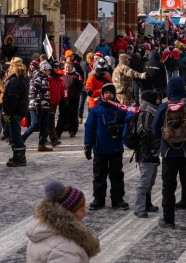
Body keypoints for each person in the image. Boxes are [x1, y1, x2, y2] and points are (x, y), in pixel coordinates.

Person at [151, 76, 186, 229]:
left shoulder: (163, 106)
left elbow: (155, 130)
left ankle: (168, 219)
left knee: (168, 187)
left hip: (168, 153)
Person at [25, 180, 101, 263]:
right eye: (81, 210)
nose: (85, 214)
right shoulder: (65, 249)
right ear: (68, 213)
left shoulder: (41, 227)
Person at [84, 83, 129, 211]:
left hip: (115, 148)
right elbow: (89, 128)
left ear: (114, 94)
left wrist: (119, 128)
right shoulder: (96, 110)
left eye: (111, 92)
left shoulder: (120, 110)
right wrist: (88, 144)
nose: (108, 95)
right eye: (106, 93)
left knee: (117, 175)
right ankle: (99, 199)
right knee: (99, 175)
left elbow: (127, 125)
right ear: (103, 95)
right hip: (99, 149)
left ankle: (117, 199)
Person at [132, 90, 161, 218]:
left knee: (151, 179)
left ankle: (147, 203)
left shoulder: (152, 112)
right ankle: (139, 207)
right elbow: (144, 135)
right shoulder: (146, 114)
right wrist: (147, 153)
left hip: (152, 152)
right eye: (157, 99)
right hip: (146, 153)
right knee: (144, 181)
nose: (159, 101)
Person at [2, 57, 29, 167]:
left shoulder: (14, 80)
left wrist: (8, 113)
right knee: (13, 133)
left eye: (10, 66)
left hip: (14, 112)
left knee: (15, 135)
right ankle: (18, 155)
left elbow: (11, 99)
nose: (8, 68)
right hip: (18, 110)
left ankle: (19, 157)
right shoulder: (20, 79)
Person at [23, 61, 53, 152]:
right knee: (34, 124)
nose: (49, 72)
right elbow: (33, 93)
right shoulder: (36, 79)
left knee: (44, 125)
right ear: (44, 70)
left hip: (45, 106)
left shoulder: (45, 79)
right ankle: (21, 139)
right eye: (48, 70)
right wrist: (37, 104)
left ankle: (41, 144)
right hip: (36, 106)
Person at [57, 60, 83, 139]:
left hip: (73, 99)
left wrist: (74, 93)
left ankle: (72, 131)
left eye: (69, 67)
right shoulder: (61, 75)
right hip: (63, 99)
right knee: (62, 116)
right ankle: (58, 132)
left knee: (73, 115)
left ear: (72, 67)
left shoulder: (76, 75)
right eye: (66, 67)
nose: (67, 68)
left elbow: (80, 87)